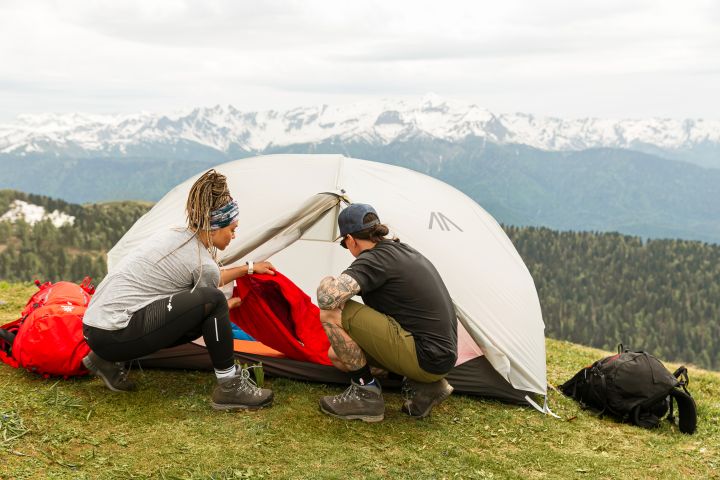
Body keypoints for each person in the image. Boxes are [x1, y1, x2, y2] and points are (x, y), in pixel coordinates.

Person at [82, 169, 275, 410]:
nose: (234, 236)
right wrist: (230, 302)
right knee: (214, 302)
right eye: (232, 229)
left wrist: (248, 268)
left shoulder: (174, 235)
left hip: (95, 328)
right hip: (116, 332)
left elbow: (209, 279)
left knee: (203, 306)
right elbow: (211, 294)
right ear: (214, 228)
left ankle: (103, 360)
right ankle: (229, 385)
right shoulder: (202, 262)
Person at [316, 203, 457, 422]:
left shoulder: (374, 260)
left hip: (424, 355)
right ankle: (426, 385)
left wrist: (326, 280)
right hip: (438, 356)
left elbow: (328, 299)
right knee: (337, 356)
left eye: (344, 244)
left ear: (351, 240)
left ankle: (365, 395)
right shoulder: (399, 250)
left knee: (331, 312)